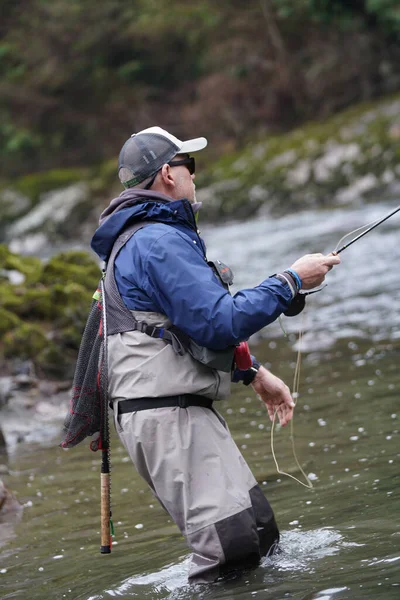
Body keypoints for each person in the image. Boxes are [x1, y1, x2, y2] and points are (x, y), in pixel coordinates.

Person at [90, 126, 340, 583]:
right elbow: (218, 321)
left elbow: (183, 329)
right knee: (230, 551)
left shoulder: (147, 238)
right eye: (190, 165)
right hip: (167, 415)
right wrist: (291, 280)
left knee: (258, 535)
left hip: (176, 411)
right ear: (168, 173)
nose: (195, 177)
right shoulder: (156, 241)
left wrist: (254, 373)